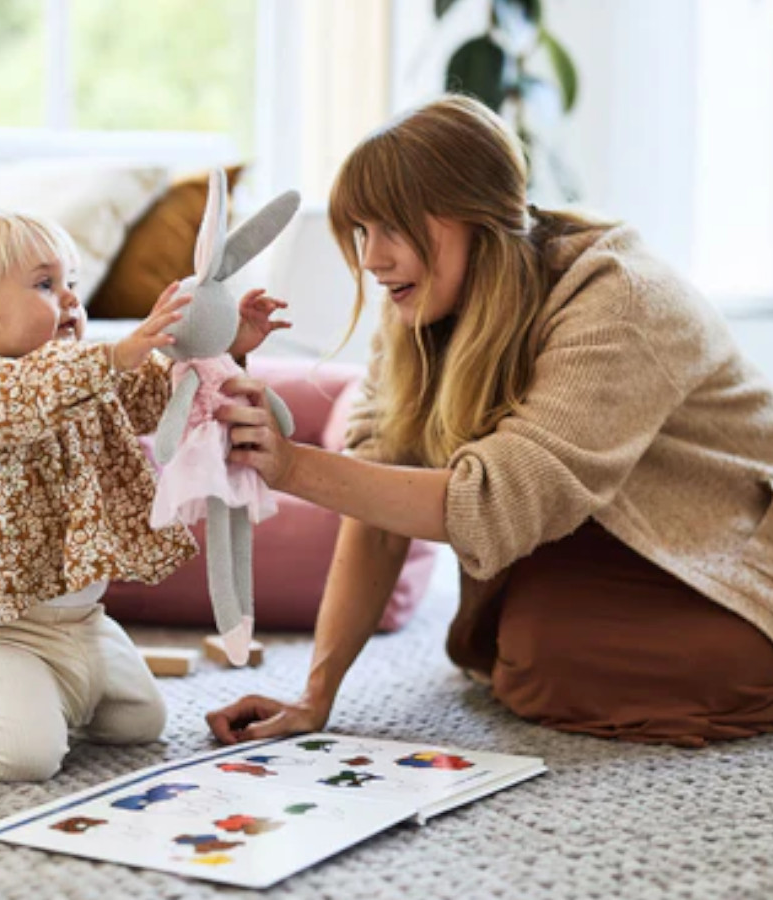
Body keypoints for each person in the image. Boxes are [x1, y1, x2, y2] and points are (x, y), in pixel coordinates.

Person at [207, 94, 773, 749]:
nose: (371, 258)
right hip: (608, 531)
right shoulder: (420, 307)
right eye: (362, 231)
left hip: (730, 540)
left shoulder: (621, 301)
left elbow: (496, 502)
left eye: (392, 227)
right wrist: (314, 697)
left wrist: (292, 464)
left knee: (540, 665)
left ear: (473, 215)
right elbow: (379, 489)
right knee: (501, 646)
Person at [0, 210, 288, 781]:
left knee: (142, 723)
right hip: (5, 634)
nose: (70, 299)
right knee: (25, 760)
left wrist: (225, 346)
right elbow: (34, 394)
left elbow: (163, 397)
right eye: (45, 285)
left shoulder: (89, 378)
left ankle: (52, 701)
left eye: (72, 282)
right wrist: (120, 352)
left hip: (85, 622)